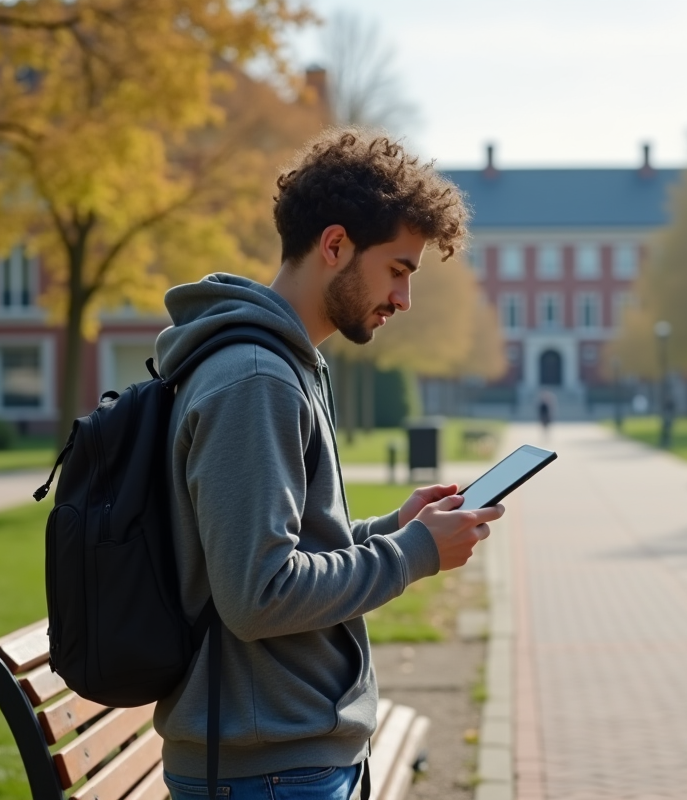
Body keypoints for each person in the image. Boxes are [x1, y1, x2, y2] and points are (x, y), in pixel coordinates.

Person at [153, 129, 505, 800]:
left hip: (281, 756)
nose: (404, 300)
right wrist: (411, 555)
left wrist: (394, 530)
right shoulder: (256, 378)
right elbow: (259, 595)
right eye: (398, 270)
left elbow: (280, 548)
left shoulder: (282, 365)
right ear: (335, 245)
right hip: (268, 769)